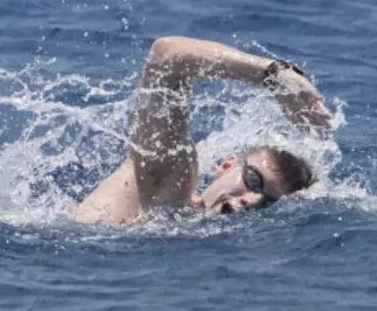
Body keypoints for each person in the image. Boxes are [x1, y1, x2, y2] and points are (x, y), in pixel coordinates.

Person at [73, 36, 333, 225]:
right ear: (227, 165)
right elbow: (166, 57)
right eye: (254, 181)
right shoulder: (169, 182)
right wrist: (275, 75)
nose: (251, 200)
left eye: (268, 201)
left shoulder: (186, 224)